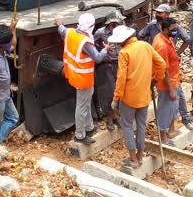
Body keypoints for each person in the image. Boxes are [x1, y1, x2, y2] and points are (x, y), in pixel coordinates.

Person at [110, 24, 166, 168]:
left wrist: (116, 98)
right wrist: (155, 79)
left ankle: (133, 159)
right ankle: (140, 156)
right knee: (141, 125)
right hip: (144, 94)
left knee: (127, 125)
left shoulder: (124, 52)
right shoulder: (145, 45)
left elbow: (121, 78)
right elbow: (162, 64)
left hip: (129, 97)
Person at [57, 14, 109, 144]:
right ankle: (80, 135)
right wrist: (106, 49)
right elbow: (97, 57)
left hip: (74, 75)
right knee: (82, 106)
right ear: (90, 27)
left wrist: (59, 23)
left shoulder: (70, 32)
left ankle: (89, 127)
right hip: (83, 79)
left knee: (85, 102)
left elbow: (61, 30)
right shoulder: (85, 43)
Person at [153, 17, 193, 143]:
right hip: (167, 83)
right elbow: (163, 70)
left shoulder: (167, 38)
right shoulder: (161, 45)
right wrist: (170, 90)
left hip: (175, 79)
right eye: (173, 29)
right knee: (165, 109)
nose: (176, 31)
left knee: (174, 106)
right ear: (165, 30)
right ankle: (162, 136)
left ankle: (171, 129)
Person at [94, 11, 123, 129]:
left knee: (118, 91)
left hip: (119, 64)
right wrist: (102, 51)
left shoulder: (121, 31)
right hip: (107, 65)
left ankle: (116, 115)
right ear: (112, 23)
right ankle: (109, 117)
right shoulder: (100, 32)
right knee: (109, 91)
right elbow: (93, 43)